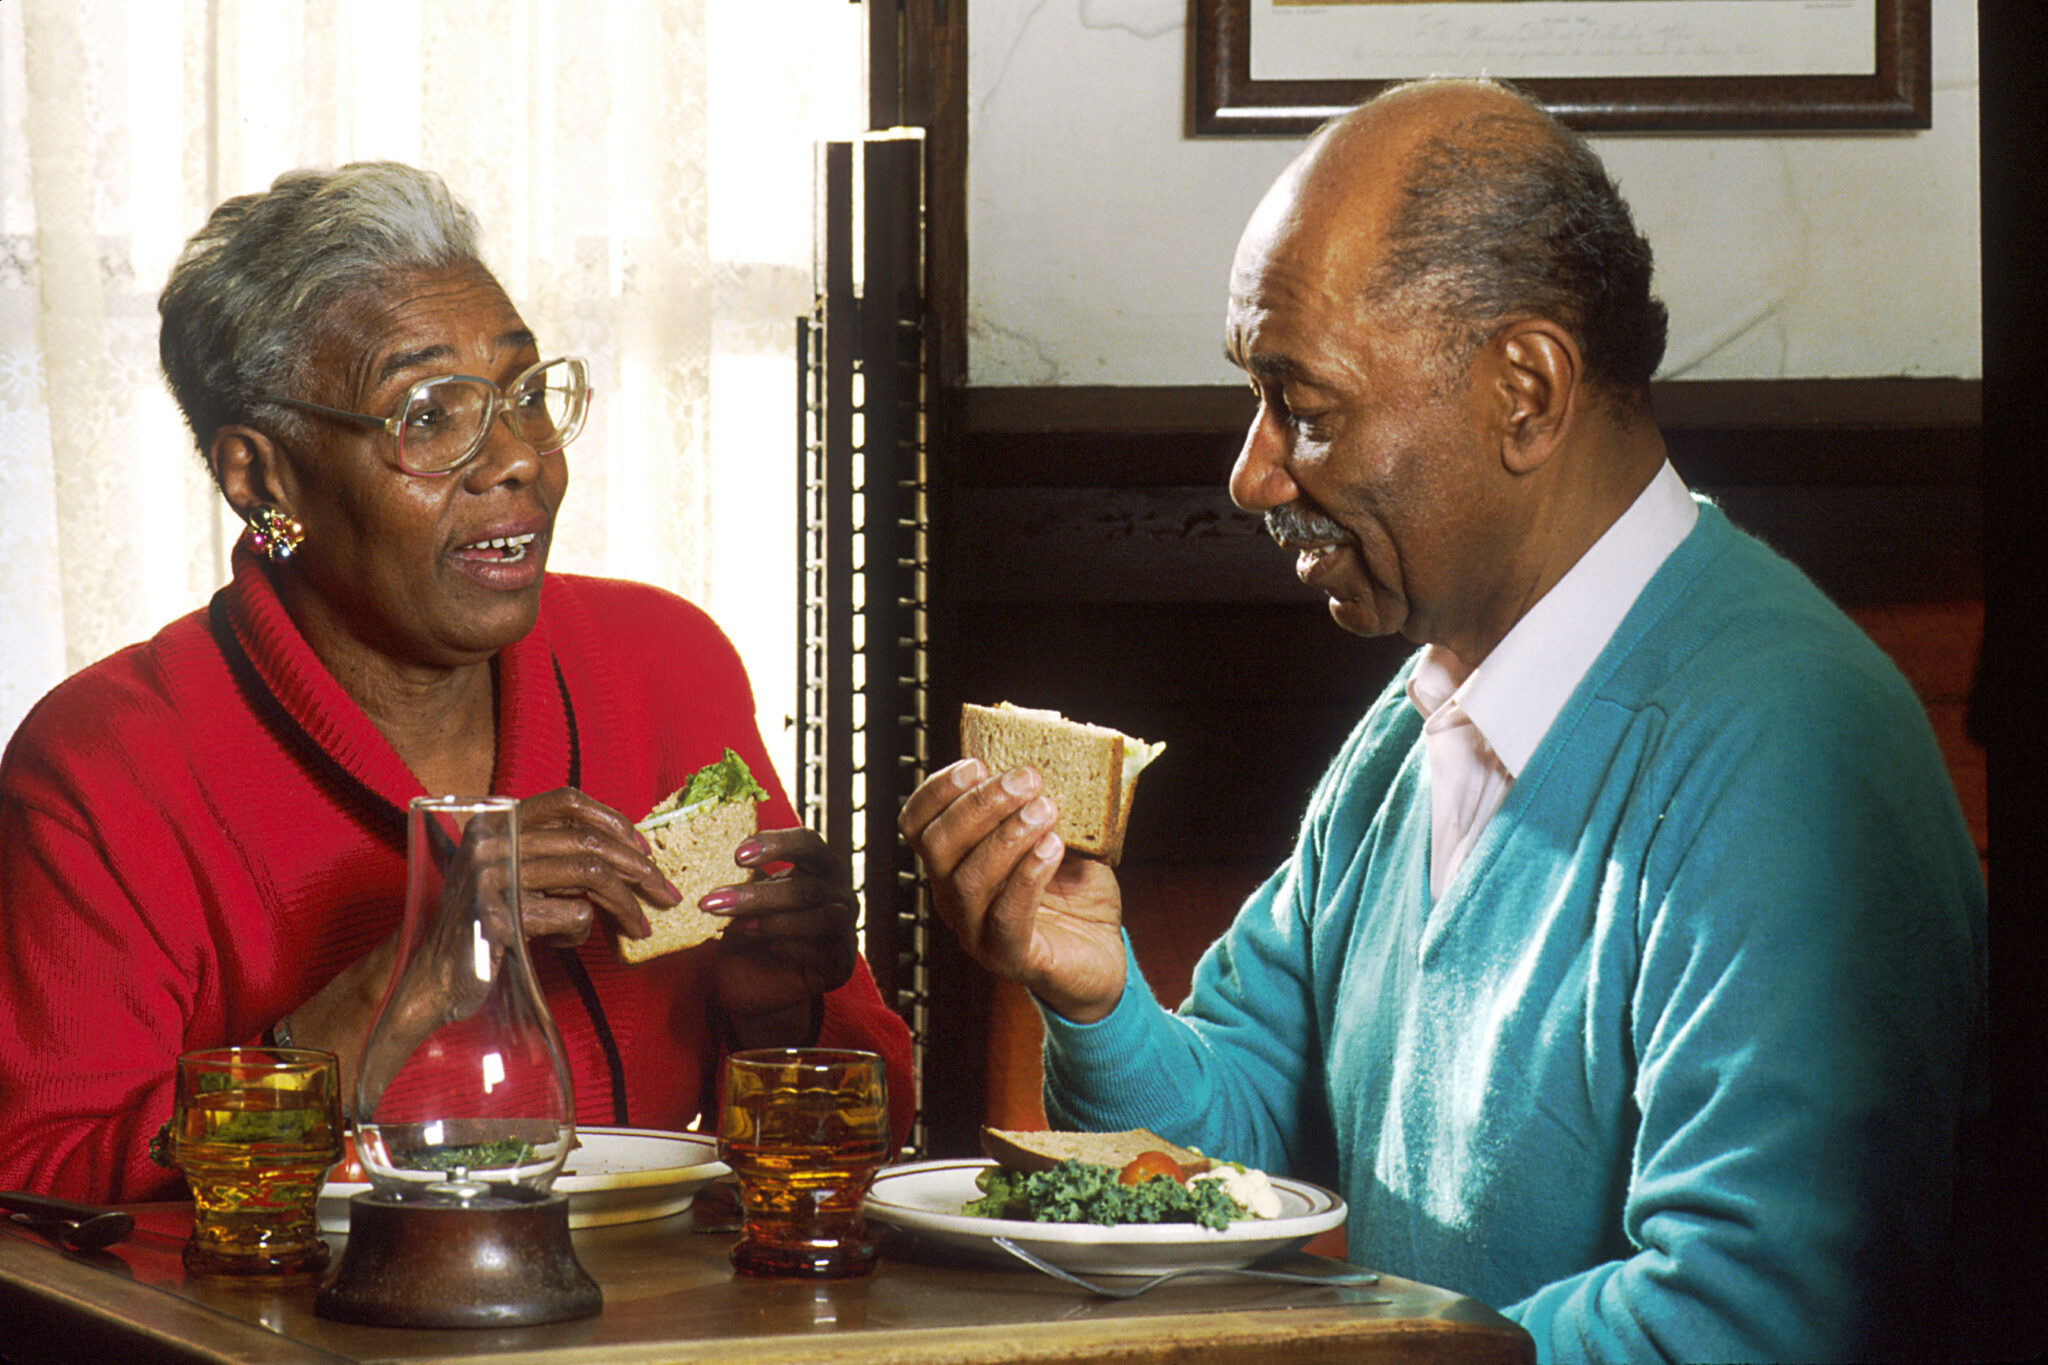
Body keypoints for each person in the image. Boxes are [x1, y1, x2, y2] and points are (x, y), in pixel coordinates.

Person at [901, 79, 1984, 1363]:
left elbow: (1750, 1310)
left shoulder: (1793, 749)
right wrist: (1090, 991)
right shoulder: (1413, 725)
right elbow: (1222, 1152)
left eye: (1302, 405)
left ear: (1523, 390)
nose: (1249, 474)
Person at [0, 163, 913, 1203]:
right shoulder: (109, 761)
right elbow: (36, 1187)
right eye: (430, 416)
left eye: (525, 396)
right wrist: (404, 984)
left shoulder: (666, 664)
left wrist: (775, 1013)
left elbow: (876, 1124)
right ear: (262, 480)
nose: (519, 459)